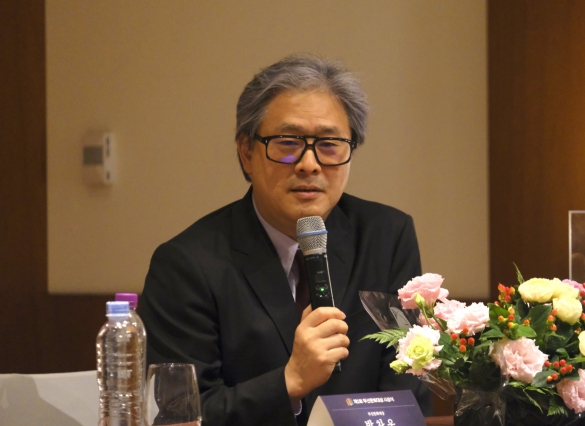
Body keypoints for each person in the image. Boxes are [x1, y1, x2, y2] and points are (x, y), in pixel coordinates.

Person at [139, 54, 432, 425]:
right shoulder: (187, 264)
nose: (309, 163)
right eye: (287, 142)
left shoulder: (387, 237)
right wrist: (289, 381)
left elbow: (407, 392)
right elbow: (177, 415)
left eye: (329, 144)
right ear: (246, 153)